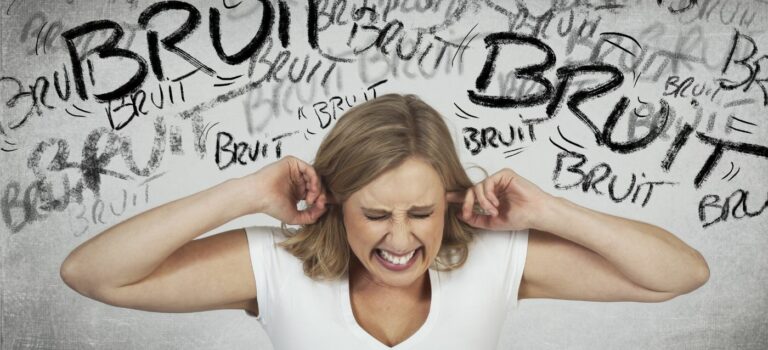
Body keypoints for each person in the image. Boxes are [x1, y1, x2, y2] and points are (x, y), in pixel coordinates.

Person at [60, 94, 710, 349]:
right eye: (374, 214)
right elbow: (92, 274)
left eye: (421, 213)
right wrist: (245, 193)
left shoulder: (495, 258)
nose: (401, 240)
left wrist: (549, 211)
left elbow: (680, 274)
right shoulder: (276, 266)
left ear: (451, 201)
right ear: (336, 202)